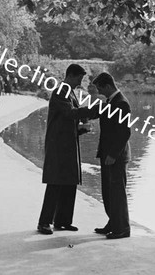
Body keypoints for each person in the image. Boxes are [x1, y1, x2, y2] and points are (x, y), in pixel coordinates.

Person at [37, 64, 95, 235]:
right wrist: (91, 111)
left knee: (70, 182)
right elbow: (70, 113)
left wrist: (84, 123)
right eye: (79, 78)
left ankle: (63, 221)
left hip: (68, 142)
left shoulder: (69, 92)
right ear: (70, 76)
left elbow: (73, 116)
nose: (80, 81)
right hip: (58, 145)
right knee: (55, 183)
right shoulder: (61, 91)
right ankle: (44, 222)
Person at [91, 72, 132, 239]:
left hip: (116, 156)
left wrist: (113, 154)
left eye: (101, 89)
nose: (100, 93)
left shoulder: (121, 103)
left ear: (108, 86)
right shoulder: (111, 102)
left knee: (117, 193)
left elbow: (124, 133)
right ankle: (113, 222)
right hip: (107, 154)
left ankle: (122, 228)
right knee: (108, 192)